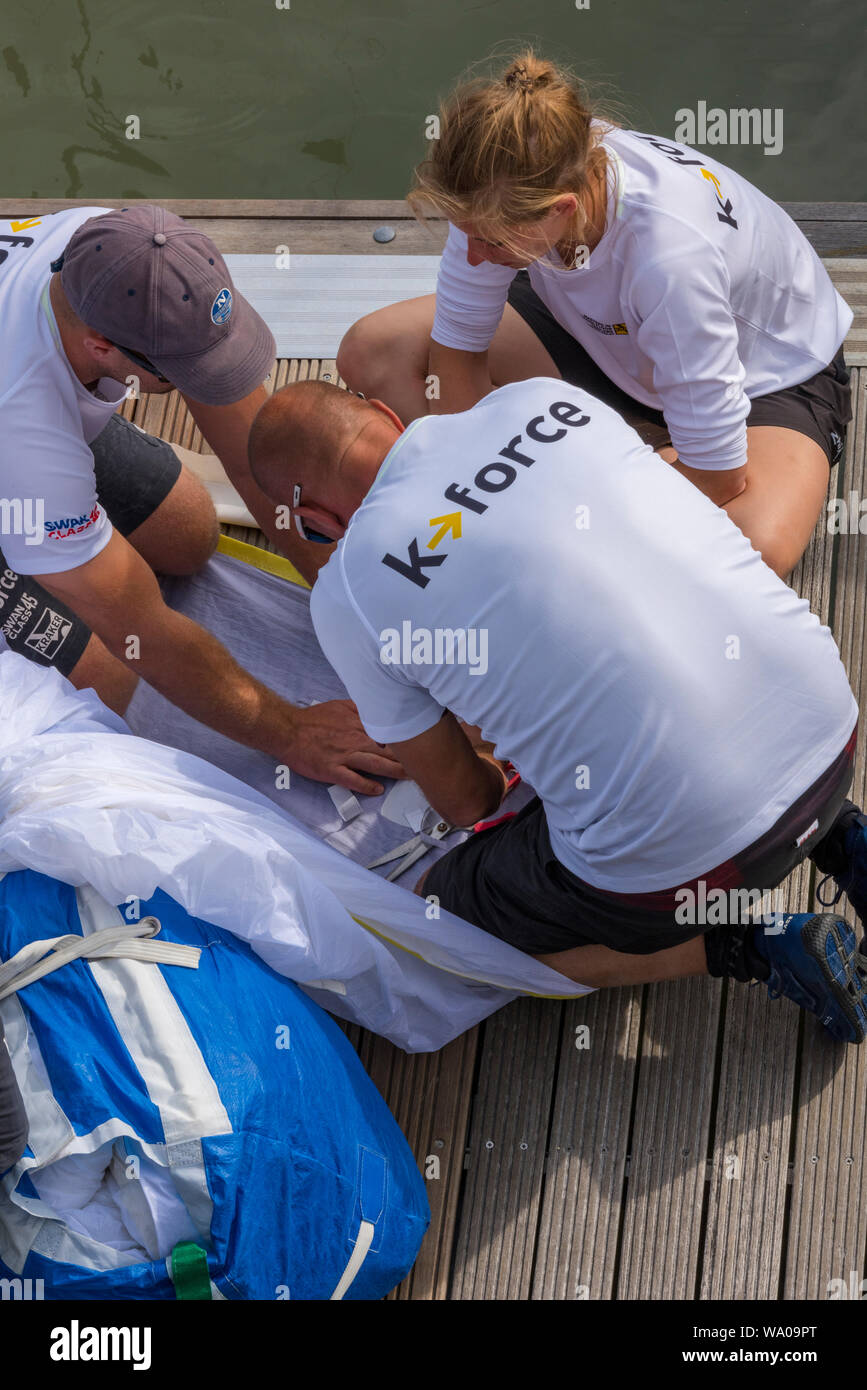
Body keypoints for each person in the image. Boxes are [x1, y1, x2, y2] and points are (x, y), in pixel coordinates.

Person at [248, 377, 867, 1043]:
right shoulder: (541, 401)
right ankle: (844, 838)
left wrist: (495, 757)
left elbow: (466, 805)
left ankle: (759, 946)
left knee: (437, 922)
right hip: (831, 736)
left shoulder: (348, 597)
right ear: (384, 414)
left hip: (680, 873)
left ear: (315, 518)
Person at [336, 51, 853, 581]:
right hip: (601, 331)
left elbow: (718, 476)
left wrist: (542, 505)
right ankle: (618, 451)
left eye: (488, 239)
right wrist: (475, 480)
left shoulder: (670, 257)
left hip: (769, 378)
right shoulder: (506, 178)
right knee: (375, 349)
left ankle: (599, 459)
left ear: (562, 208)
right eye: (462, 229)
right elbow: (458, 348)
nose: (471, 253)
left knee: (757, 548)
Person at [0, 205, 401, 794]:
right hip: (21, 452)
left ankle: (57, 532)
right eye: (183, 371)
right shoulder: (25, 430)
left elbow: (255, 459)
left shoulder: (132, 254)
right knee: (111, 683)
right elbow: (141, 626)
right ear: (103, 346)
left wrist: (365, 621)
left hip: (36, 432)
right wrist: (292, 734)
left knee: (192, 536)